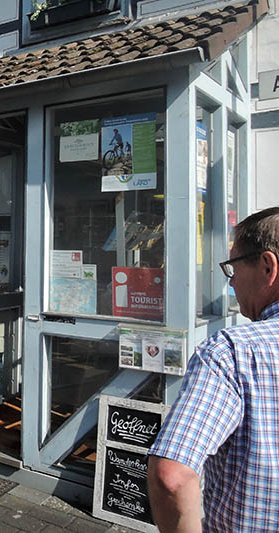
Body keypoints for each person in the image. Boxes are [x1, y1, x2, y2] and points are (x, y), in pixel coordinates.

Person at [148, 206, 279, 532]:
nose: (230, 284)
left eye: (232, 268)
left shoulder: (234, 352)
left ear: (267, 267)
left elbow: (172, 475)